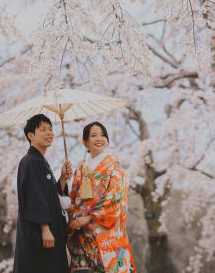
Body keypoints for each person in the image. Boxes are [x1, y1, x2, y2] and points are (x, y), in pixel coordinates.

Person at [67, 122, 136, 272]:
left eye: (103, 135)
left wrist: (89, 217)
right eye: (94, 135)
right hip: (83, 231)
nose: (99, 138)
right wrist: (76, 219)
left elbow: (115, 197)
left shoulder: (114, 166)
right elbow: (74, 198)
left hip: (106, 229)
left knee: (112, 267)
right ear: (85, 142)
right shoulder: (80, 168)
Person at [13, 114, 73, 273]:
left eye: (51, 129)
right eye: (43, 129)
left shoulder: (40, 161)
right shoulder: (31, 161)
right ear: (31, 136)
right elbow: (35, 197)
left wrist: (62, 179)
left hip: (49, 234)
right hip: (40, 235)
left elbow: (49, 195)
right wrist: (45, 228)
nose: (49, 133)